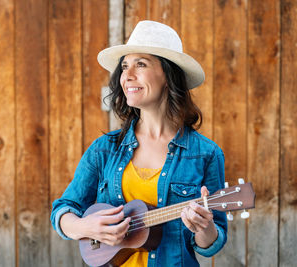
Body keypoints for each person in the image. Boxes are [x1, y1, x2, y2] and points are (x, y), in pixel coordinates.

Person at [51, 20, 227, 266]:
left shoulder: (206, 154)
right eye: (124, 66)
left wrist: (204, 227)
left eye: (140, 64)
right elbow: (63, 209)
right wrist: (83, 226)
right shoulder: (104, 150)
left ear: (168, 74)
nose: (128, 76)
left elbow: (211, 245)